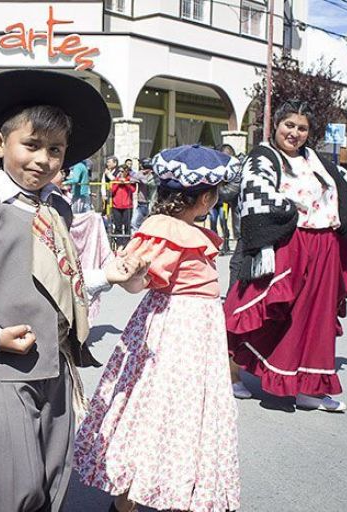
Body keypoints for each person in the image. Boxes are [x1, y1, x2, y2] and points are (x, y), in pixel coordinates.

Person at [0, 69, 144, 512]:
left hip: (54, 369)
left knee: (51, 482)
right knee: (5, 489)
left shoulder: (57, 209)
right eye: (30, 146)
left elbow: (62, 282)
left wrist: (108, 274)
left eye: (55, 150)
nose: (43, 160)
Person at [75, 145, 241, 512]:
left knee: (166, 410)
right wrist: (131, 271)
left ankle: (148, 494)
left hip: (193, 328)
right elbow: (139, 283)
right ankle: (136, 496)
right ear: (205, 197)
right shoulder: (167, 230)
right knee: (164, 410)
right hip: (179, 329)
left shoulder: (181, 227)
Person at [225, 100, 347, 411]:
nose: (295, 133)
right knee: (251, 306)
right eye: (289, 125)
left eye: (302, 128)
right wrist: (292, 210)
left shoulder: (316, 161)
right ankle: (231, 372)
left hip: (323, 245)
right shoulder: (262, 157)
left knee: (316, 316)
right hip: (282, 242)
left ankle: (310, 388)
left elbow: (344, 188)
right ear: (275, 125)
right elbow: (254, 194)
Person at [130, 157, 157, 232]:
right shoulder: (140, 173)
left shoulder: (155, 174)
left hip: (152, 203)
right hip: (141, 203)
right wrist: (139, 178)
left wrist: (144, 178)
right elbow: (132, 180)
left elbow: (151, 183)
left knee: (151, 224)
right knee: (134, 223)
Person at [110, 164, 135, 237]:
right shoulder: (115, 180)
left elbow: (133, 190)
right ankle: (118, 243)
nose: (120, 173)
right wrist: (118, 183)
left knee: (127, 226)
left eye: (122, 171)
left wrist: (126, 183)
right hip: (116, 206)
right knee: (118, 226)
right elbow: (111, 190)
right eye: (119, 171)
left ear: (126, 172)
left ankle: (126, 243)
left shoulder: (130, 179)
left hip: (127, 206)